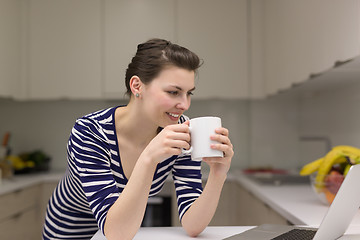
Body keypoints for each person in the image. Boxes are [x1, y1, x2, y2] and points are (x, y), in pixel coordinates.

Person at [42, 38, 234, 240]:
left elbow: (193, 225)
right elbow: (116, 233)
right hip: (71, 228)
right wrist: (149, 157)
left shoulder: (181, 131)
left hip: (127, 224)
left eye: (188, 93)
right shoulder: (90, 131)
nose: (184, 104)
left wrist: (218, 173)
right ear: (137, 86)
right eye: (173, 92)